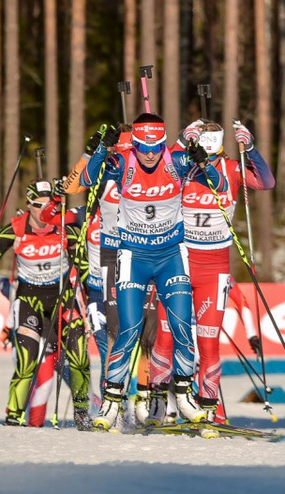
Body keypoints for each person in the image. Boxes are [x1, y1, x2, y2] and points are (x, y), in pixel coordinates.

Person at [80, 114, 220, 431]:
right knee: (128, 332)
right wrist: (101, 150)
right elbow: (88, 180)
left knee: (183, 328)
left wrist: (205, 164)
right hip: (134, 257)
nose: (150, 153)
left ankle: (184, 398)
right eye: (144, 146)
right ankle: (111, 406)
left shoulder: (179, 161)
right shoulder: (123, 162)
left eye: (156, 146)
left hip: (171, 255)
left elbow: (219, 186)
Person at [158, 119, 273, 423]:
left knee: (208, 344)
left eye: (211, 152)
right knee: (171, 339)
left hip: (215, 268)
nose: (206, 158)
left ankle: (212, 412)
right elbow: (160, 170)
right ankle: (161, 408)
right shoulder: (183, 166)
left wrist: (251, 148)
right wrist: (182, 141)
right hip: (179, 262)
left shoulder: (232, 169)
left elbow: (266, 182)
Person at [0, 180, 91, 428]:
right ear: (28, 205)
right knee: (27, 361)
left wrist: (91, 300)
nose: (45, 212)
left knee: (78, 355)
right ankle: (14, 415)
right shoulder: (16, 229)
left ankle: (83, 413)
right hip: (30, 299)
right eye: (39, 205)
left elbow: (84, 266)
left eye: (50, 206)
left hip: (62, 298)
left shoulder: (65, 228)